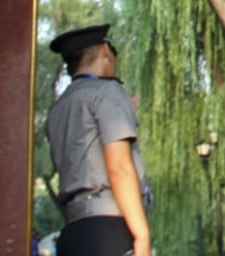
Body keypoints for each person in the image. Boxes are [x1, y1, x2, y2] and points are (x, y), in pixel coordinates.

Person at [47, 24, 152, 256]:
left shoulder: (58, 108)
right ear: (105, 51)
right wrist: (142, 236)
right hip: (110, 229)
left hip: (73, 232)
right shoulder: (108, 93)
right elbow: (119, 168)